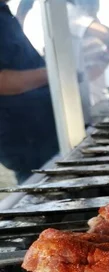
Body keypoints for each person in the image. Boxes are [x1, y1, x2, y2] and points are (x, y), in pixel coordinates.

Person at [0, 0, 58, 182]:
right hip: (25, 139)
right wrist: (57, 73)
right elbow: (2, 82)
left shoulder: (4, 13)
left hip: (38, 131)